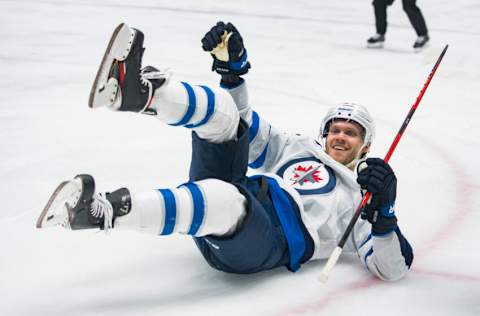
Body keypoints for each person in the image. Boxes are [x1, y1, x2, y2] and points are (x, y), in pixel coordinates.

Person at [37, 22, 413, 279]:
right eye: (335, 129)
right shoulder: (298, 148)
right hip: (240, 198)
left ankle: (98, 213)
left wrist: (385, 212)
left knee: (224, 199)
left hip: (265, 241)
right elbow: (244, 126)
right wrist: (232, 74)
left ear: (365, 145)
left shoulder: (363, 200)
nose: (340, 137)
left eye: (351, 133)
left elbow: (392, 269)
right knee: (223, 114)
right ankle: (135, 94)